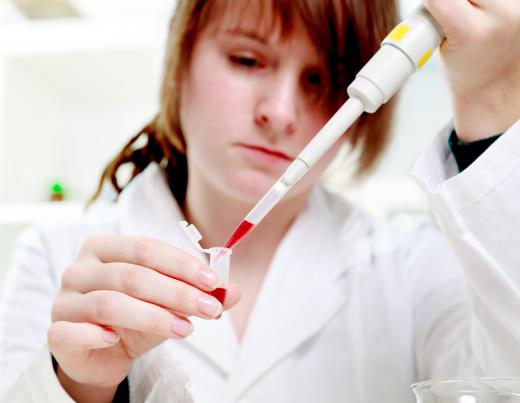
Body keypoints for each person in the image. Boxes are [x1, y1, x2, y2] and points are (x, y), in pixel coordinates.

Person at [1, 0, 520, 401]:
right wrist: (77, 387)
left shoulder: (410, 265)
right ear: (181, 61)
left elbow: (502, 379)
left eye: (320, 79)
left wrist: (489, 100)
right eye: (248, 60)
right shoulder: (53, 255)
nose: (280, 111)